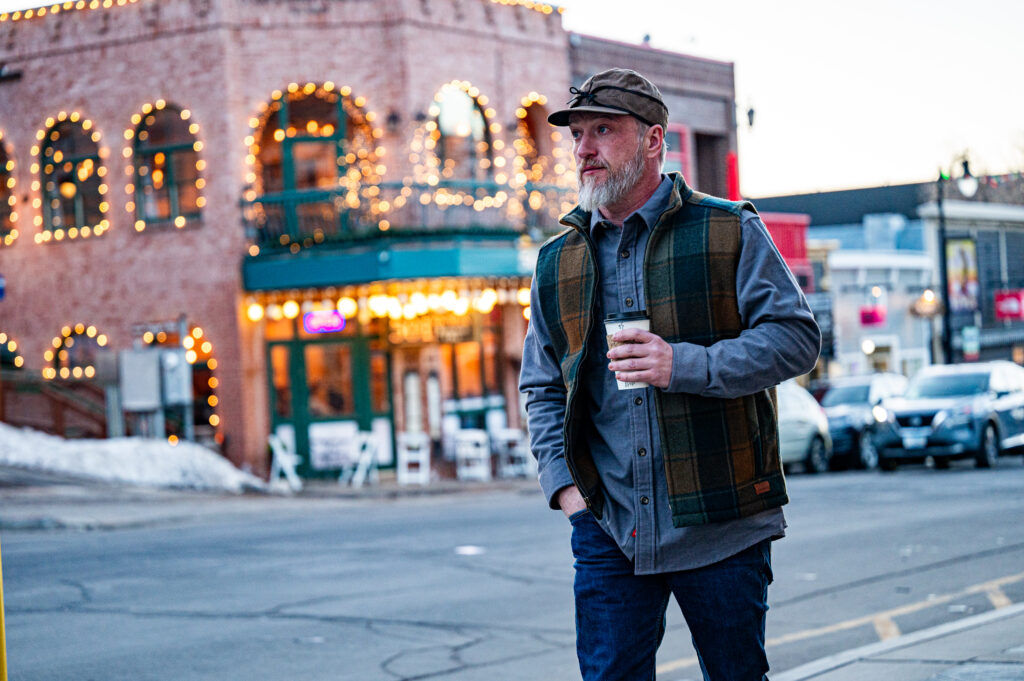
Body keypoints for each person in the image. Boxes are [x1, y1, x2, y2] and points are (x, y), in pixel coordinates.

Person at [519, 68, 821, 681]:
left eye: (602, 129)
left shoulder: (729, 228)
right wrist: (566, 488)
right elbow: (542, 385)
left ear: (654, 140)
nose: (584, 149)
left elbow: (796, 340)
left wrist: (681, 363)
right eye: (578, 134)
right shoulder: (557, 261)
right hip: (607, 528)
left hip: (721, 523)